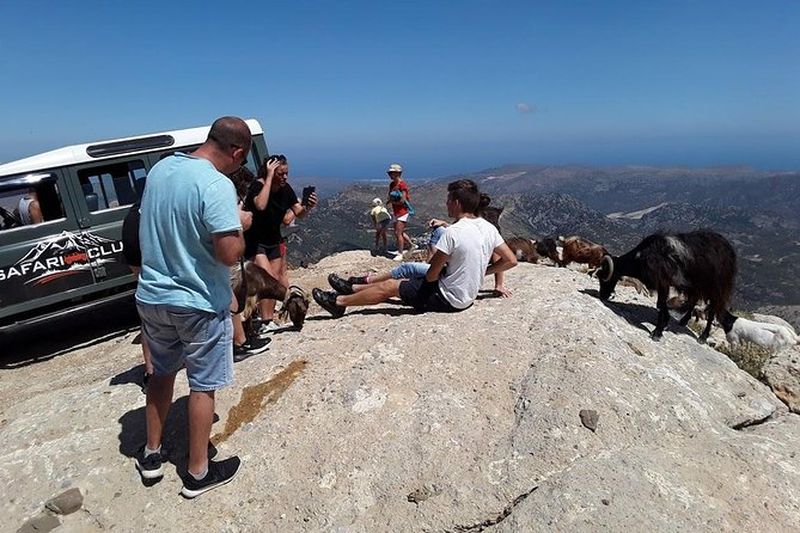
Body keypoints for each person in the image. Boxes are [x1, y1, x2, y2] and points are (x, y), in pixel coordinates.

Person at [134, 116, 255, 498]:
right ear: (236, 152)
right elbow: (227, 254)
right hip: (198, 302)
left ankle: (151, 454)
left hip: (153, 295)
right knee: (203, 386)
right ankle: (198, 472)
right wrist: (240, 227)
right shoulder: (216, 184)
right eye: (242, 158)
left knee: (162, 373)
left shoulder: (162, 169)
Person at [313, 180, 517, 317]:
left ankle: (339, 302)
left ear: (456, 203)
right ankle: (354, 290)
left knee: (391, 287)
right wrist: (483, 272)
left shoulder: (454, 232)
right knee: (402, 283)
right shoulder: (488, 228)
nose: (446, 204)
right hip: (466, 296)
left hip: (448, 298)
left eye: (448, 201)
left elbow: (431, 275)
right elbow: (511, 260)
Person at [335, 193, 513, 298]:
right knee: (411, 266)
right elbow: (506, 260)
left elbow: (503, 260)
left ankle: (358, 286)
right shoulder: (484, 231)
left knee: (405, 272)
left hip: (447, 277)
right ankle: (358, 285)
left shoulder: (478, 231)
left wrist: (486, 275)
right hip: (450, 273)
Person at [243, 154, 317, 333]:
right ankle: (259, 318)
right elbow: (260, 205)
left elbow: (298, 212)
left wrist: (308, 206)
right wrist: (268, 178)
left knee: (274, 281)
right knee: (266, 279)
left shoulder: (286, 189)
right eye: (280, 174)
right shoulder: (257, 186)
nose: (285, 177)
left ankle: (267, 320)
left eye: (286, 173)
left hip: (273, 239)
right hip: (255, 240)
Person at [386, 163, 413, 259]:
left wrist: (392, 201)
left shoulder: (402, 185)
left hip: (402, 212)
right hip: (396, 212)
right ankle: (411, 245)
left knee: (398, 233)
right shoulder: (392, 184)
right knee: (398, 232)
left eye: (392, 173)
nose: (390, 175)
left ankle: (400, 253)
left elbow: (403, 200)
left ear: (398, 174)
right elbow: (390, 196)